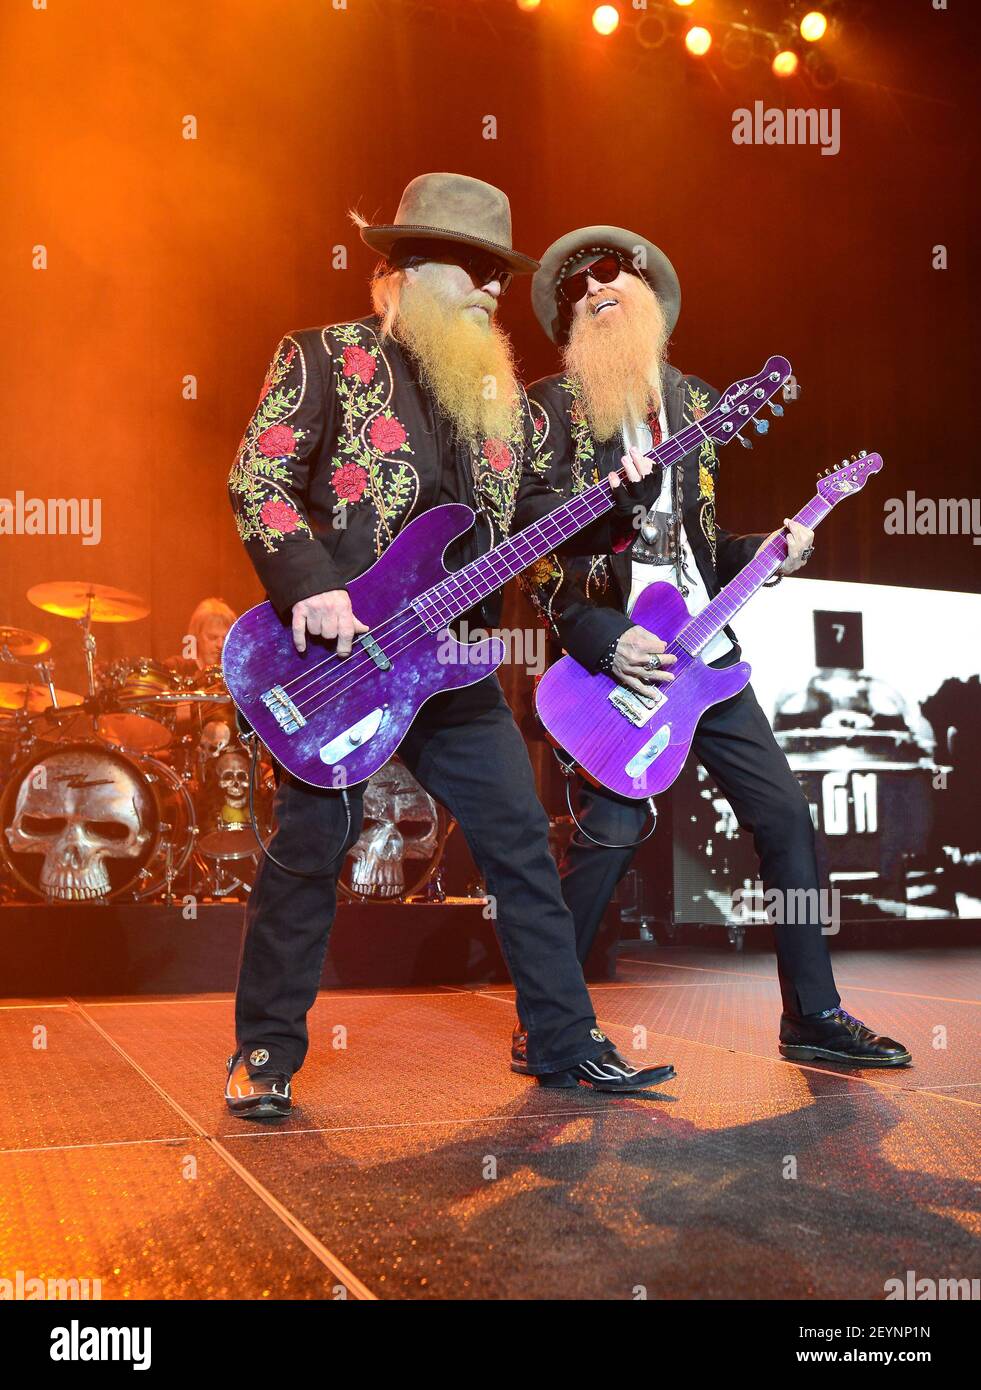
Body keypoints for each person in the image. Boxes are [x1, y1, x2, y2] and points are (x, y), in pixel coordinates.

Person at [223, 177, 676, 1118]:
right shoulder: (325, 356)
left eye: (497, 275)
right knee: (311, 849)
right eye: (467, 268)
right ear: (397, 272)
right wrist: (314, 589)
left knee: (518, 846)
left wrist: (620, 499)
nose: (488, 290)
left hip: (454, 667)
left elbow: (536, 523)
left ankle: (563, 1041)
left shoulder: (499, 405)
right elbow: (258, 476)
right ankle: (264, 1054)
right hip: (335, 665)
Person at [517, 224, 911, 1071]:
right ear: (569, 325)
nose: (594, 289)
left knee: (786, 820)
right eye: (577, 291)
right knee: (610, 838)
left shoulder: (696, 403)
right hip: (617, 661)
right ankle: (545, 1026)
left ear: (654, 301)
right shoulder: (550, 411)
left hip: (707, 662)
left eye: (614, 278)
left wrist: (769, 547)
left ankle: (812, 1014)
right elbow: (539, 551)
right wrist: (601, 638)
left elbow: (695, 545)